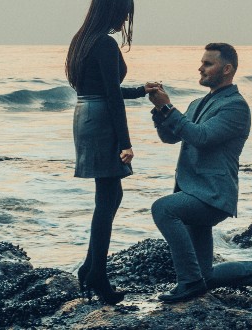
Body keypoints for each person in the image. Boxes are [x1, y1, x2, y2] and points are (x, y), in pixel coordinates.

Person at [148, 43, 252, 303]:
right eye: (202, 62)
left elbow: (201, 137)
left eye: (207, 64)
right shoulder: (196, 103)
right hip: (192, 190)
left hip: (212, 195)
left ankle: (188, 283)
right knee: (206, 277)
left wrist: (169, 109)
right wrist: (160, 111)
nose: (200, 68)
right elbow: (171, 136)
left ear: (227, 69)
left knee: (163, 209)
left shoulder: (235, 107)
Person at [65, 0, 158, 305]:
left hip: (85, 114)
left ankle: (91, 268)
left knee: (107, 196)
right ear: (113, 11)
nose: (126, 21)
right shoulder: (104, 43)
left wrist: (140, 91)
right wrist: (125, 143)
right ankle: (97, 275)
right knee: (108, 199)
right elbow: (112, 99)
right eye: (125, 14)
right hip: (102, 119)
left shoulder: (82, 40)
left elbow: (104, 89)